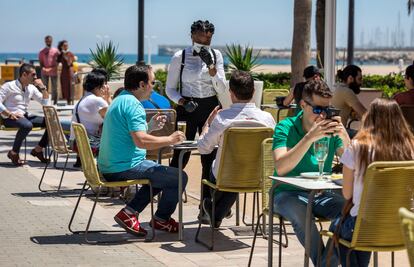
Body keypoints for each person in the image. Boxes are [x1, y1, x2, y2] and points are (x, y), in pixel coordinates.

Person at [98, 64, 188, 236]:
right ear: (141, 84)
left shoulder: (120, 99)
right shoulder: (134, 105)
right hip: (122, 167)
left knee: (162, 174)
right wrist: (170, 139)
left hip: (111, 164)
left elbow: (130, 135)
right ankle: (153, 217)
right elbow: (140, 142)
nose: (153, 88)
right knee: (178, 177)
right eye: (152, 83)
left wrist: (149, 127)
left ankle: (134, 214)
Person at [272, 79, 350, 266]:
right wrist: (309, 138)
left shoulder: (330, 130)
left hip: (321, 193)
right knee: (301, 215)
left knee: (350, 213)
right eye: (317, 110)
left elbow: (351, 160)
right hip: (286, 192)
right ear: (303, 105)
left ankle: (325, 263)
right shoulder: (286, 127)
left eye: (328, 110)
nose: (323, 115)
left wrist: (343, 133)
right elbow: (281, 167)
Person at [330, 98, 414, 266]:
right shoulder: (410, 148)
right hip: (399, 227)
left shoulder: (357, 147)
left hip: (364, 227)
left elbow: (347, 194)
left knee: (337, 226)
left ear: (370, 118)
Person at [197, 70, 276, 227]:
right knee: (238, 166)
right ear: (254, 92)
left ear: (230, 93)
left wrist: (207, 124)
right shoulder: (267, 119)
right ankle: (219, 210)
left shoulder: (222, 119)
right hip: (257, 176)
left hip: (227, 176)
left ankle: (215, 210)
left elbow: (203, 149)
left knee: (219, 162)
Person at [165, 20, 227, 196]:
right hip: (188, 107)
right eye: (201, 37)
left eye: (208, 39)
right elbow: (170, 89)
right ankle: (169, 195)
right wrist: (182, 101)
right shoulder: (180, 57)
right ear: (192, 36)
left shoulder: (216, 55)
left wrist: (213, 69)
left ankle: (207, 205)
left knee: (210, 157)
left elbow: (221, 88)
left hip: (210, 107)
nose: (205, 42)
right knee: (180, 156)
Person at [0, 63, 50, 166]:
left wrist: (43, 87)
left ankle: (38, 150)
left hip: (24, 116)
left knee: (51, 123)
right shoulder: (9, 86)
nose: (36, 77)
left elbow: (45, 102)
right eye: (33, 75)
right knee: (27, 125)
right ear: (24, 74)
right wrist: (9, 114)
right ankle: (14, 153)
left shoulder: (31, 88)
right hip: (9, 118)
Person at [69, 68, 111, 167]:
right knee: (119, 142)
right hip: (86, 144)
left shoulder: (84, 98)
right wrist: (108, 97)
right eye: (104, 84)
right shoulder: (97, 101)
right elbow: (115, 117)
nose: (106, 86)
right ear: (98, 87)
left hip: (76, 142)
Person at [38, 35, 59, 104]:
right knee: (44, 88)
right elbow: (40, 62)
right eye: (47, 41)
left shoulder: (56, 51)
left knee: (55, 88)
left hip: (54, 71)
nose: (48, 42)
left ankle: (55, 103)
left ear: (52, 41)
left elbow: (58, 62)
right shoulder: (41, 51)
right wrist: (44, 68)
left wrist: (51, 69)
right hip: (44, 72)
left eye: (49, 41)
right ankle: (45, 102)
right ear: (45, 41)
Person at [57, 40, 76, 104]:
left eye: (66, 45)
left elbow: (70, 63)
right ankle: (66, 100)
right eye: (64, 46)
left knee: (71, 86)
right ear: (62, 47)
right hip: (63, 72)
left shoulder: (70, 54)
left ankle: (71, 100)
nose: (66, 47)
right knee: (64, 86)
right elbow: (57, 62)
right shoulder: (60, 54)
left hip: (70, 71)